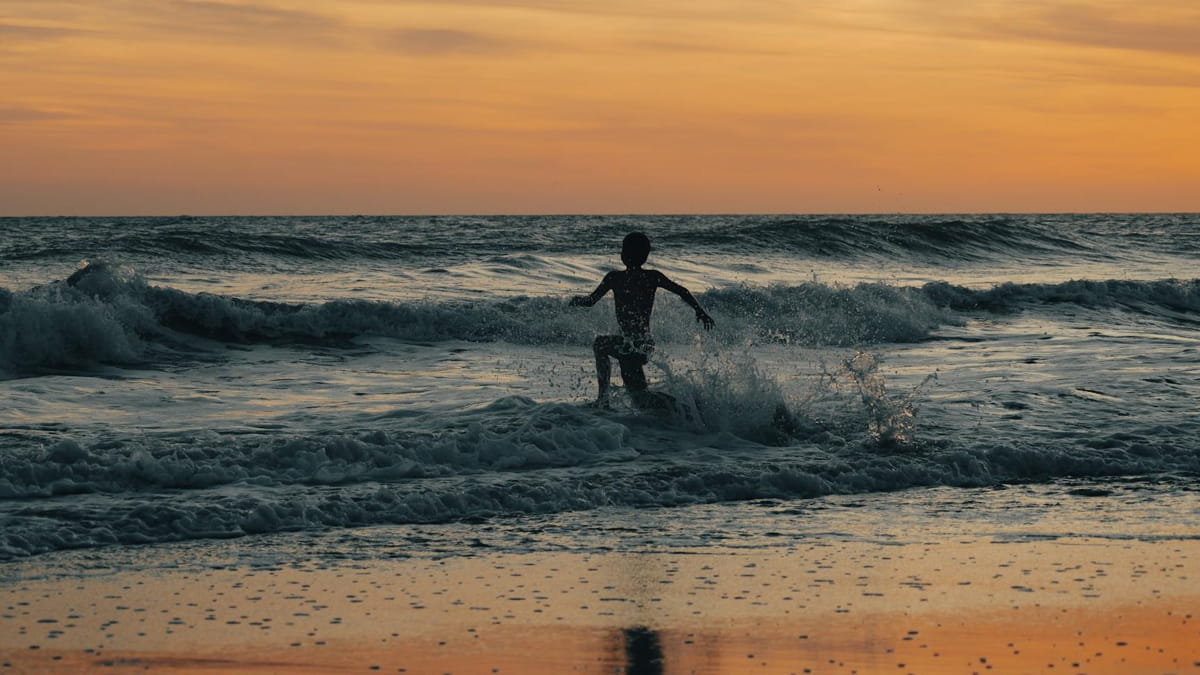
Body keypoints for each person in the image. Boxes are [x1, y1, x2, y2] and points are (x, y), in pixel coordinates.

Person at [569, 232, 714, 407]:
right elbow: (682, 291)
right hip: (641, 343)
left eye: (625, 250)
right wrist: (700, 311)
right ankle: (686, 407)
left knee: (601, 346)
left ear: (623, 255)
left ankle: (604, 400)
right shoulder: (650, 276)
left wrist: (577, 301)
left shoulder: (616, 278)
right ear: (645, 256)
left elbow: (591, 301)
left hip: (631, 344)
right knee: (639, 396)